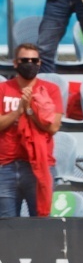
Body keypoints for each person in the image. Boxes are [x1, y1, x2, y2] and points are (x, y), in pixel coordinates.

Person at [0, 44, 63, 217]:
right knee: (6, 228)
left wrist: (29, 111)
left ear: (40, 63)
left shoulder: (50, 90)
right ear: (15, 63)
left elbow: (53, 127)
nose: (30, 63)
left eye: (34, 60)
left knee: (41, 226)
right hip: (6, 168)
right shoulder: (3, 89)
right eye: (24, 60)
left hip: (39, 166)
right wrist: (18, 110)